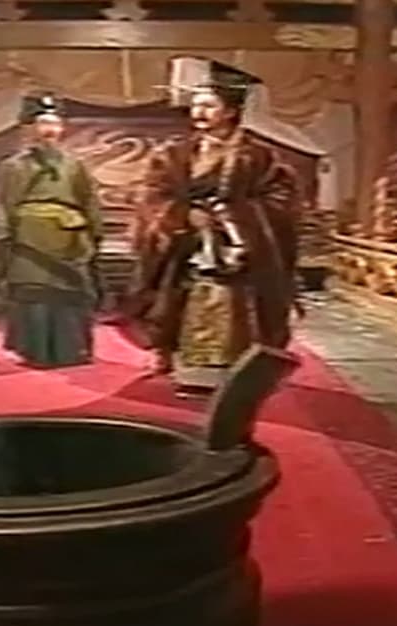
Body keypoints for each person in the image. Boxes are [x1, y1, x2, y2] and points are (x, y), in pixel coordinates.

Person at [125, 58, 301, 396]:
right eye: (196, 105)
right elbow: (152, 193)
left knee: (233, 309)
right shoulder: (174, 154)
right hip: (186, 248)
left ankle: (235, 374)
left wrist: (234, 218)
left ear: (231, 111)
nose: (199, 112)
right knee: (177, 302)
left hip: (239, 252)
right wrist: (181, 216)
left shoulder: (259, 157)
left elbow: (281, 200)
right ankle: (186, 368)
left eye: (209, 105)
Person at [0, 93, 104, 368]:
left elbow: (89, 201)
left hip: (70, 240)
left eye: (55, 123)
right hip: (29, 240)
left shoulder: (75, 165)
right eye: (43, 123)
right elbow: (2, 204)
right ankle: (35, 350)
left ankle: (72, 350)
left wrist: (93, 234)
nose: (50, 130)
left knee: (71, 295)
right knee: (34, 293)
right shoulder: (13, 166)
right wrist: (2, 240)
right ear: (29, 128)